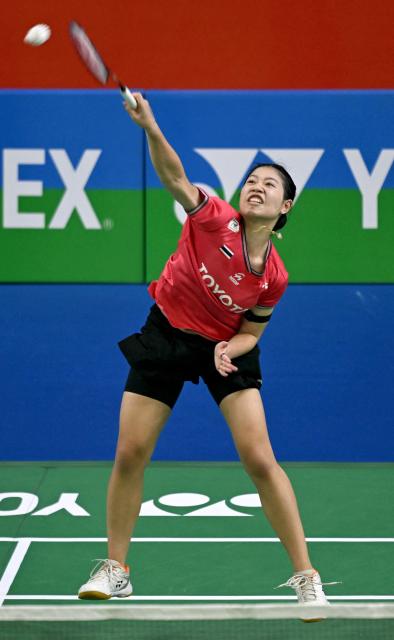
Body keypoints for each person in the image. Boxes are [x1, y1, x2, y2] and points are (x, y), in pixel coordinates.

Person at [78, 93, 335, 615]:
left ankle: (306, 575)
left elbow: (252, 331)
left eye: (270, 184)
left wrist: (230, 349)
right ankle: (116, 568)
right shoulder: (214, 217)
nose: (256, 186)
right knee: (130, 452)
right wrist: (150, 126)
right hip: (168, 330)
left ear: (285, 207)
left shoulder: (274, 276)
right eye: (253, 179)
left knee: (260, 459)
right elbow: (174, 177)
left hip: (222, 347)